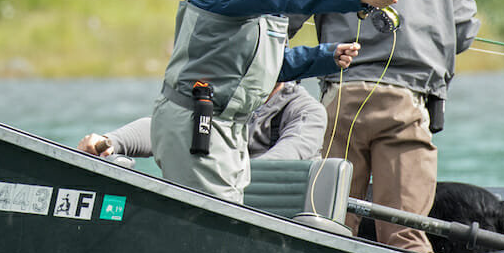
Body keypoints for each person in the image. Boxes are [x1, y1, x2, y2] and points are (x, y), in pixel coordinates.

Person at [279, 0, 480, 253]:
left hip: (342, 105)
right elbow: (464, 33)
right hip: (408, 106)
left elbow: (275, 16)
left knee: (324, 228)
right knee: (406, 237)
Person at [149, 0, 401, 203]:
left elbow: (265, 66)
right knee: (217, 228)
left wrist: (324, 56)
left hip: (227, 128)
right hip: (196, 125)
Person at [78, 81, 327, 162]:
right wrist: (112, 141)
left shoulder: (307, 113)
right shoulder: (220, 95)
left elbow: (280, 163)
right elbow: (169, 129)